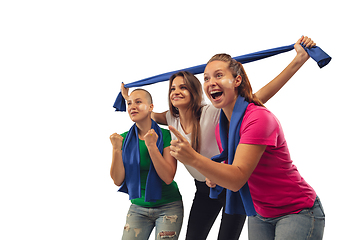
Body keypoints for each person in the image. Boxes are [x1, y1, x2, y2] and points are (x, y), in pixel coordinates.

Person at [122, 36, 317, 240]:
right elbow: (143, 110)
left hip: (230, 184)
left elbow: (255, 99)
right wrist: (128, 99)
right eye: (172, 88)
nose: (176, 92)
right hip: (205, 188)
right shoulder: (170, 117)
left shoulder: (214, 112)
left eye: (183, 87)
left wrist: (297, 61)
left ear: (195, 91)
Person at [168, 47, 325, 239]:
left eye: (219, 75)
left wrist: (193, 158)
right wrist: (215, 173)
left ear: (237, 80)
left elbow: (237, 178)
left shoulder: (258, 118)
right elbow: (236, 161)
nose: (211, 82)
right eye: (207, 78)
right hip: (260, 212)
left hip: (295, 210)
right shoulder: (223, 127)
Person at [110, 89, 183, 240]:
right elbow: (118, 180)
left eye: (138, 102)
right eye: (129, 103)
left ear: (151, 107)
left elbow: (168, 177)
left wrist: (152, 147)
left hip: (168, 206)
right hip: (138, 207)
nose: (132, 107)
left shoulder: (165, 135)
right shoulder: (123, 139)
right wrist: (117, 149)